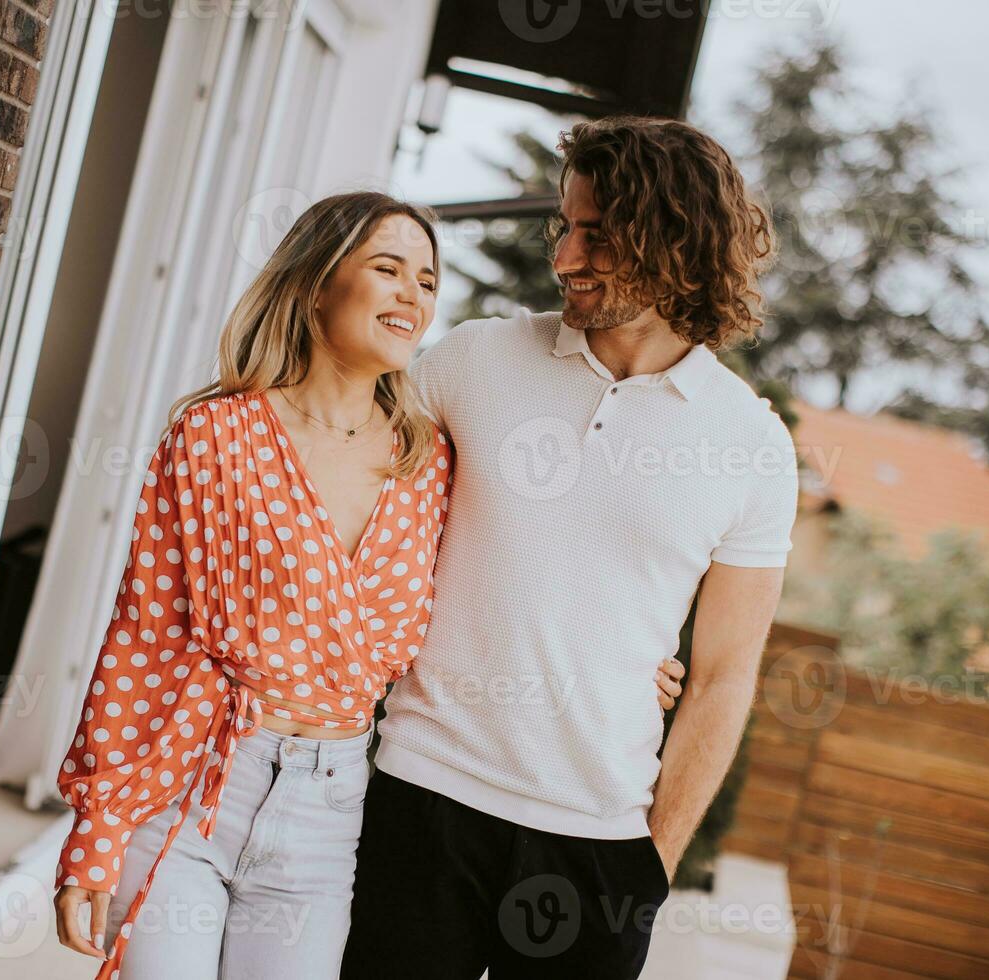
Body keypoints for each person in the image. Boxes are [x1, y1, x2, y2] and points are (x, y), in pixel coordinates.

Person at [52, 190, 687, 979]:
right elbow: (145, 635)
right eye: (387, 269)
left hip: (332, 811)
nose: (413, 296)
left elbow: (523, 574)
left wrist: (623, 664)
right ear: (317, 282)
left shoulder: (428, 462)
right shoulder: (215, 435)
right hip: (197, 782)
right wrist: (96, 832)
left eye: (426, 280)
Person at [340, 116, 800, 980]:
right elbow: (352, 523)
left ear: (675, 241)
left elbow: (724, 676)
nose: (564, 257)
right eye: (566, 226)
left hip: (598, 851)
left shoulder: (752, 446)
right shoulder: (468, 363)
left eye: (598, 234)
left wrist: (652, 866)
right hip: (421, 799)